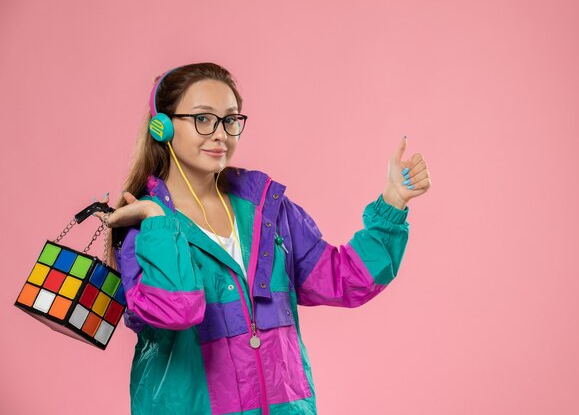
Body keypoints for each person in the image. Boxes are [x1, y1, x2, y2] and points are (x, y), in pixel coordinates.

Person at [97, 62, 431, 415]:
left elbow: (344, 279)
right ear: (162, 127)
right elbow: (177, 310)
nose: (220, 134)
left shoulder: (266, 211)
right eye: (203, 119)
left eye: (230, 120)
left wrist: (393, 202)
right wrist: (156, 220)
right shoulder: (144, 228)